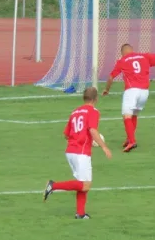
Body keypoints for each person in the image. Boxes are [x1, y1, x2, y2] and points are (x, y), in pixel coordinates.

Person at [103, 44, 155, 152]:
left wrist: (107, 89)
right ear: (132, 50)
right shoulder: (144, 56)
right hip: (144, 92)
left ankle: (132, 141)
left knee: (127, 116)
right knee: (134, 115)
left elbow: (111, 77)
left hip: (131, 91)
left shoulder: (122, 61)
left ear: (122, 53)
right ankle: (129, 138)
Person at [43, 87, 111, 219]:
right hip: (81, 153)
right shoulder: (93, 111)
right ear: (96, 99)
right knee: (85, 185)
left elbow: (66, 135)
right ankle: (53, 185)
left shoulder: (74, 112)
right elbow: (92, 130)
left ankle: (80, 214)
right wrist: (104, 147)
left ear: (83, 98)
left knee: (82, 182)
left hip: (71, 151)